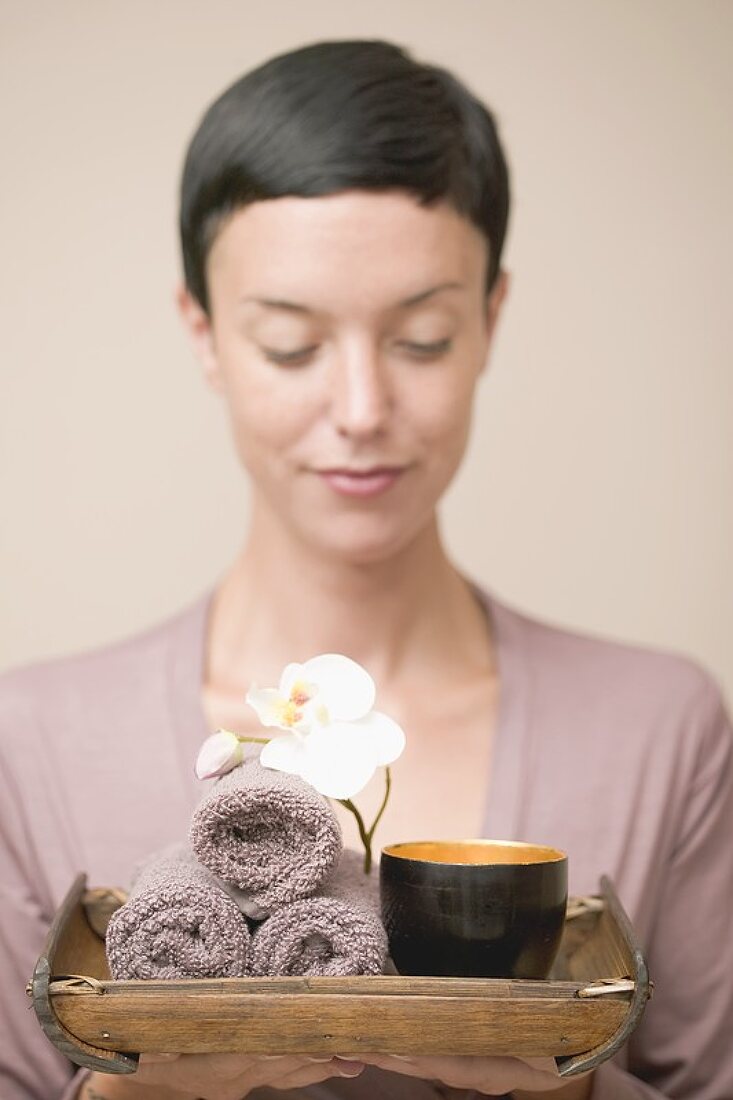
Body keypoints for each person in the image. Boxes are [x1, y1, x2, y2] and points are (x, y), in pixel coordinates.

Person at [1, 38, 731, 1100]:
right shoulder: (32, 743)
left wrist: (566, 1083)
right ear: (202, 333)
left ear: (489, 319)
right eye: (292, 345)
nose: (359, 410)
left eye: (422, 338)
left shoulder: (657, 726)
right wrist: (134, 1087)